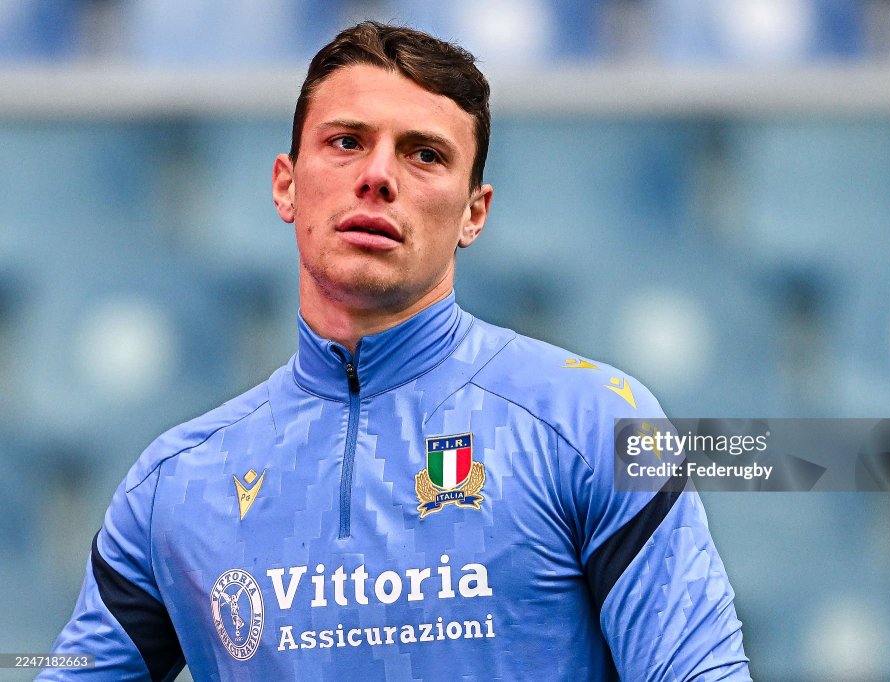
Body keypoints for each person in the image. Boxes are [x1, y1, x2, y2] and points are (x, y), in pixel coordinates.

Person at [43, 22, 750, 681]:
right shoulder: (175, 484)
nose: (379, 176)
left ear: (475, 212)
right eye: (347, 142)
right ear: (286, 184)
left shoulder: (594, 424)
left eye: (425, 154)